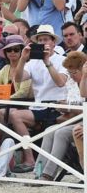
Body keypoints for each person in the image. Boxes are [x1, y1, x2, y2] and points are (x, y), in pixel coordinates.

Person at [0, 25, 69, 173]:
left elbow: (61, 82)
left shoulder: (62, 60)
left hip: (58, 106)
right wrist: (23, 58)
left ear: (53, 42)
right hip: (38, 106)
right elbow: (17, 79)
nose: (43, 43)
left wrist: (47, 62)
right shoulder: (32, 62)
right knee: (14, 115)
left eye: (46, 39)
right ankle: (29, 158)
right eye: (40, 40)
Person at [26, 50, 84, 185]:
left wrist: (68, 107)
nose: (71, 76)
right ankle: (38, 172)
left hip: (81, 121)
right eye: (69, 73)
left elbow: (80, 108)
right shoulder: (71, 83)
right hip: (75, 119)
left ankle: (47, 175)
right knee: (49, 130)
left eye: (74, 72)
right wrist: (65, 107)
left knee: (60, 133)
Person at [0, 35, 33, 100]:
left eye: (16, 50)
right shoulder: (5, 68)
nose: (12, 52)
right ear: (5, 52)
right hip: (5, 105)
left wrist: (5, 99)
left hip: (24, 106)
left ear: (22, 51)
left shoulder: (27, 67)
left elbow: (23, 93)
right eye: (9, 50)